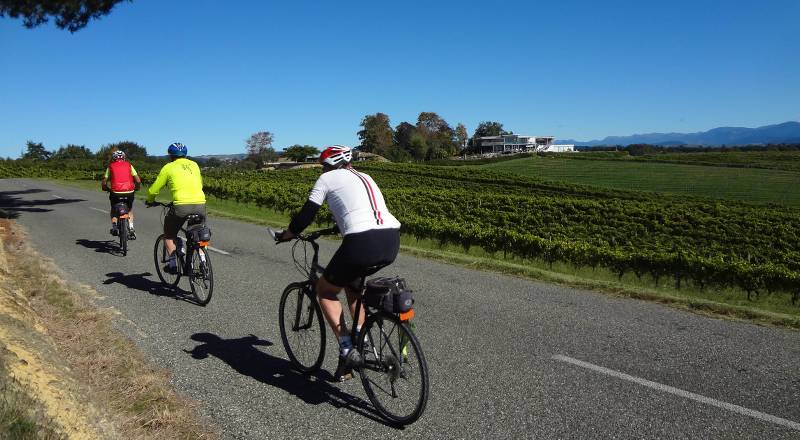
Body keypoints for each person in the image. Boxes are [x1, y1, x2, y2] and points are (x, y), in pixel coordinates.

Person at [278, 145, 401, 380]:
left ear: (330, 164)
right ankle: (361, 340)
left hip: (362, 242)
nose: (322, 169)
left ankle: (346, 347)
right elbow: (363, 210)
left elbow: (307, 214)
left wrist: (289, 234)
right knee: (353, 287)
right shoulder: (365, 176)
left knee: (324, 290)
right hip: (391, 238)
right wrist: (337, 227)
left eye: (323, 165)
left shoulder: (327, 178)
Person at [145, 142, 207, 273]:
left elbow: (154, 190)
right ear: (185, 154)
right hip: (200, 204)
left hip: (181, 206)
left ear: (170, 156)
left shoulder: (168, 167)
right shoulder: (194, 165)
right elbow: (200, 183)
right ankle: (203, 260)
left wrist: (150, 201)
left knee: (169, 235)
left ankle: (173, 264)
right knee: (199, 235)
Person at [101, 150, 142, 239]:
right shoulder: (129, 165)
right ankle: (131, 227)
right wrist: (137, 187)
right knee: (130, 209)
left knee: (113, 209)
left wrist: (105, 188)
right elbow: (138, 180)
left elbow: (104, 181)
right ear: (123, 157)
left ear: (114, 158)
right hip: (129, 192)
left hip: (115, 193)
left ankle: (114, 226)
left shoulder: (110, 167)